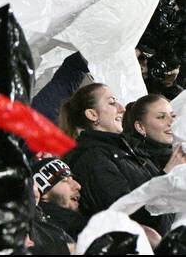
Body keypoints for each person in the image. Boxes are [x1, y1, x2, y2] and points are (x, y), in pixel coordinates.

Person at [59, 83, 173, 238]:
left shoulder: (125, 149)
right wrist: (167, 176)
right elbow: (126, 219)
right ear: (92, 115)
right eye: (112, 102)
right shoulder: (92, 158)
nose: (122, 108)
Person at [29, 157, 81, 254]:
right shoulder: (39, 232)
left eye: (73, 179)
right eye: (65, 180)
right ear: (43, 193)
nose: (77, 185)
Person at [123, 94, 186, 174]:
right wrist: (167, 172)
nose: (172, 122)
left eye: (173, 116)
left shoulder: (178, 151)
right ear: (140, 127)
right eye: (161, 117)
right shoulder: (130, 161)